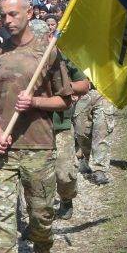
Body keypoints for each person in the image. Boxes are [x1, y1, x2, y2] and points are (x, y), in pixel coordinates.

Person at [0, 0, 73, 253]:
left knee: (40, 209)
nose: (6, 21)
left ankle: (42, 250)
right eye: (2, 15)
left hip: (39, 145)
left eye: (13, 14)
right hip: (4, 149)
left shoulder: (47, 53)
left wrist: (35, 102)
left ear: (29, 13)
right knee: (3, 213)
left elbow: (64, 100)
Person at [30, 23, 91, 220]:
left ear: (49, 37)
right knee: (35, 178)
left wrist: (64, 87)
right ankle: (38, 218)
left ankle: (66, 198)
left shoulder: (61, 56)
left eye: (42, 38)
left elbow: (84, 84)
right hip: (33, 128)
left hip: (60, 125)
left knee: (65, 173)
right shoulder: (22, 61)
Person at [74, 88, 115, 185]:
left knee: (102, 130)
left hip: (104, 91)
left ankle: (99, 169)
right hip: (81, 93)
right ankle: (86, 157)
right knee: (82, 132)